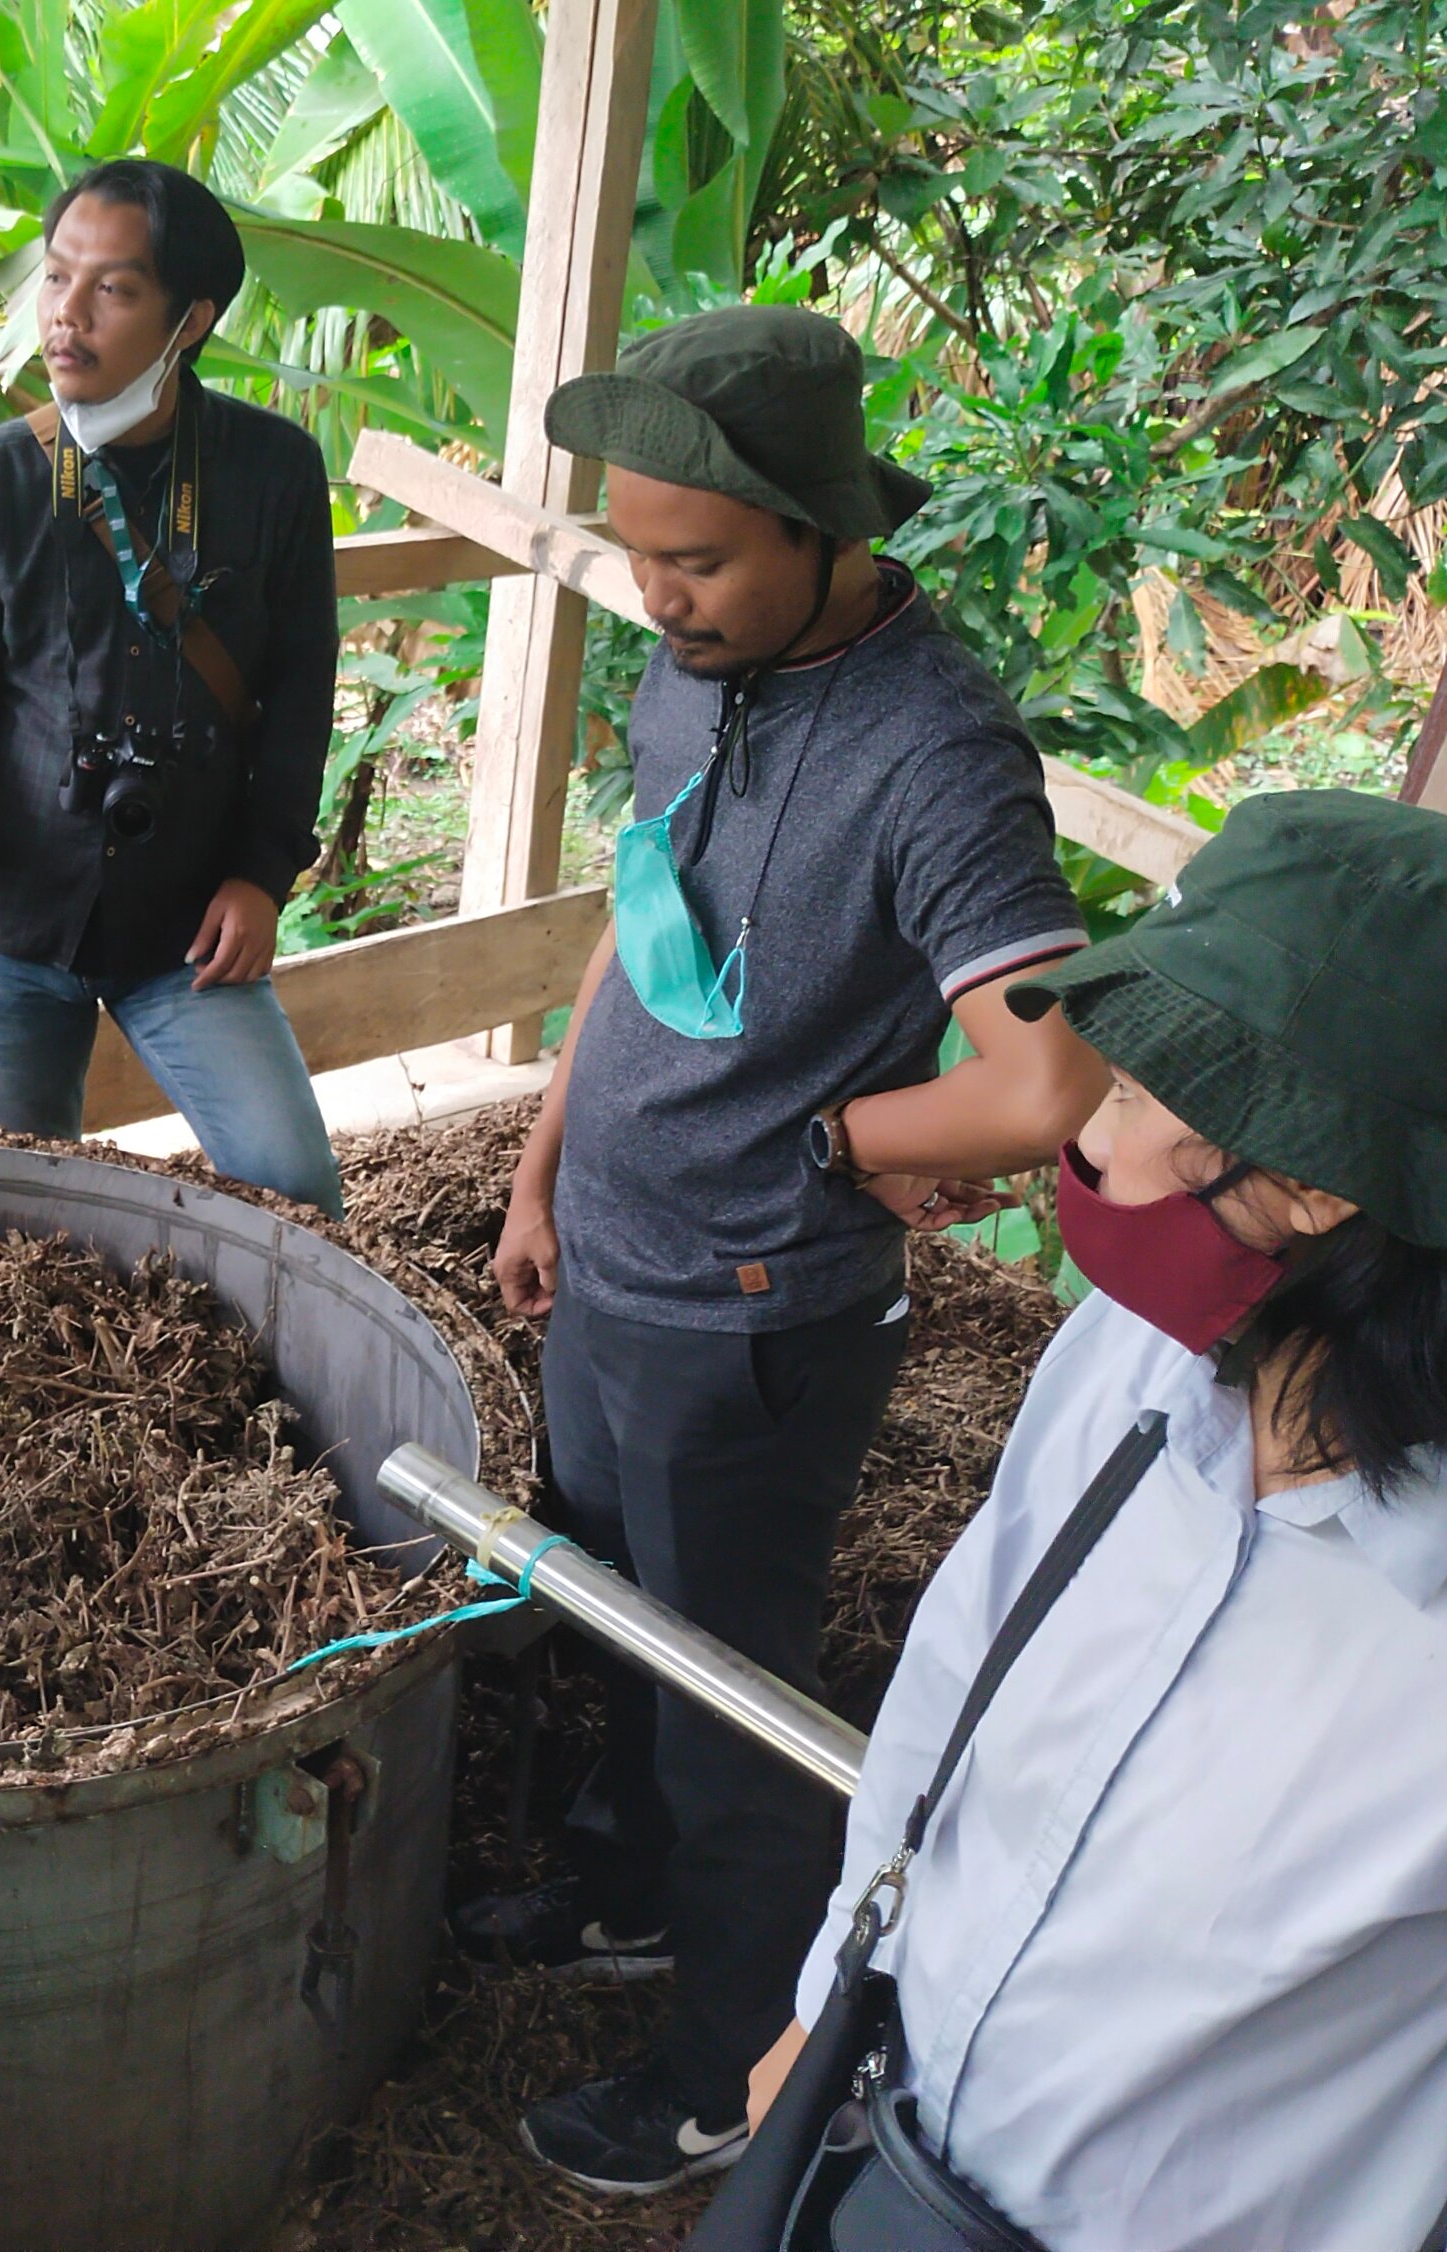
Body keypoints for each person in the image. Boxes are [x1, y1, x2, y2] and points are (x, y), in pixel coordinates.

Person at [735, 790, 1447, 2248]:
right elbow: (956, 1695)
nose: (1088, 1142)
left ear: (1316, 1178)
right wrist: (830, 2014)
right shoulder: (1137, 1361)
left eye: (1136, 1095)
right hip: (882, 2165)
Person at [464, 303, 1112, 2194]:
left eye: (700, 558)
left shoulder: (933, 751)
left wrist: (841, 1137)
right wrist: (543, 1163)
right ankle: (631, 1897)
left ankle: (719, 2076)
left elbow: (1052, 1077)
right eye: (638, 551)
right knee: (610, 1608)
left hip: (750, 1314)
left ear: (826, 532)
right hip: (614, 1257)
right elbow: (640, 909)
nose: (657, 595)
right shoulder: (701, 673)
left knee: (734, 1703)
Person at [0, 159, 345, 1213]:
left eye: (112, 288)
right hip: (12, 917)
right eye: (56, 278)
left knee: (292, 1186)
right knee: (28, 1201)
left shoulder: (273, 472)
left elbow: (297, 695)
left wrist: (261, 873)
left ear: (189, 318)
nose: (66, 315)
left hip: (187, 918)